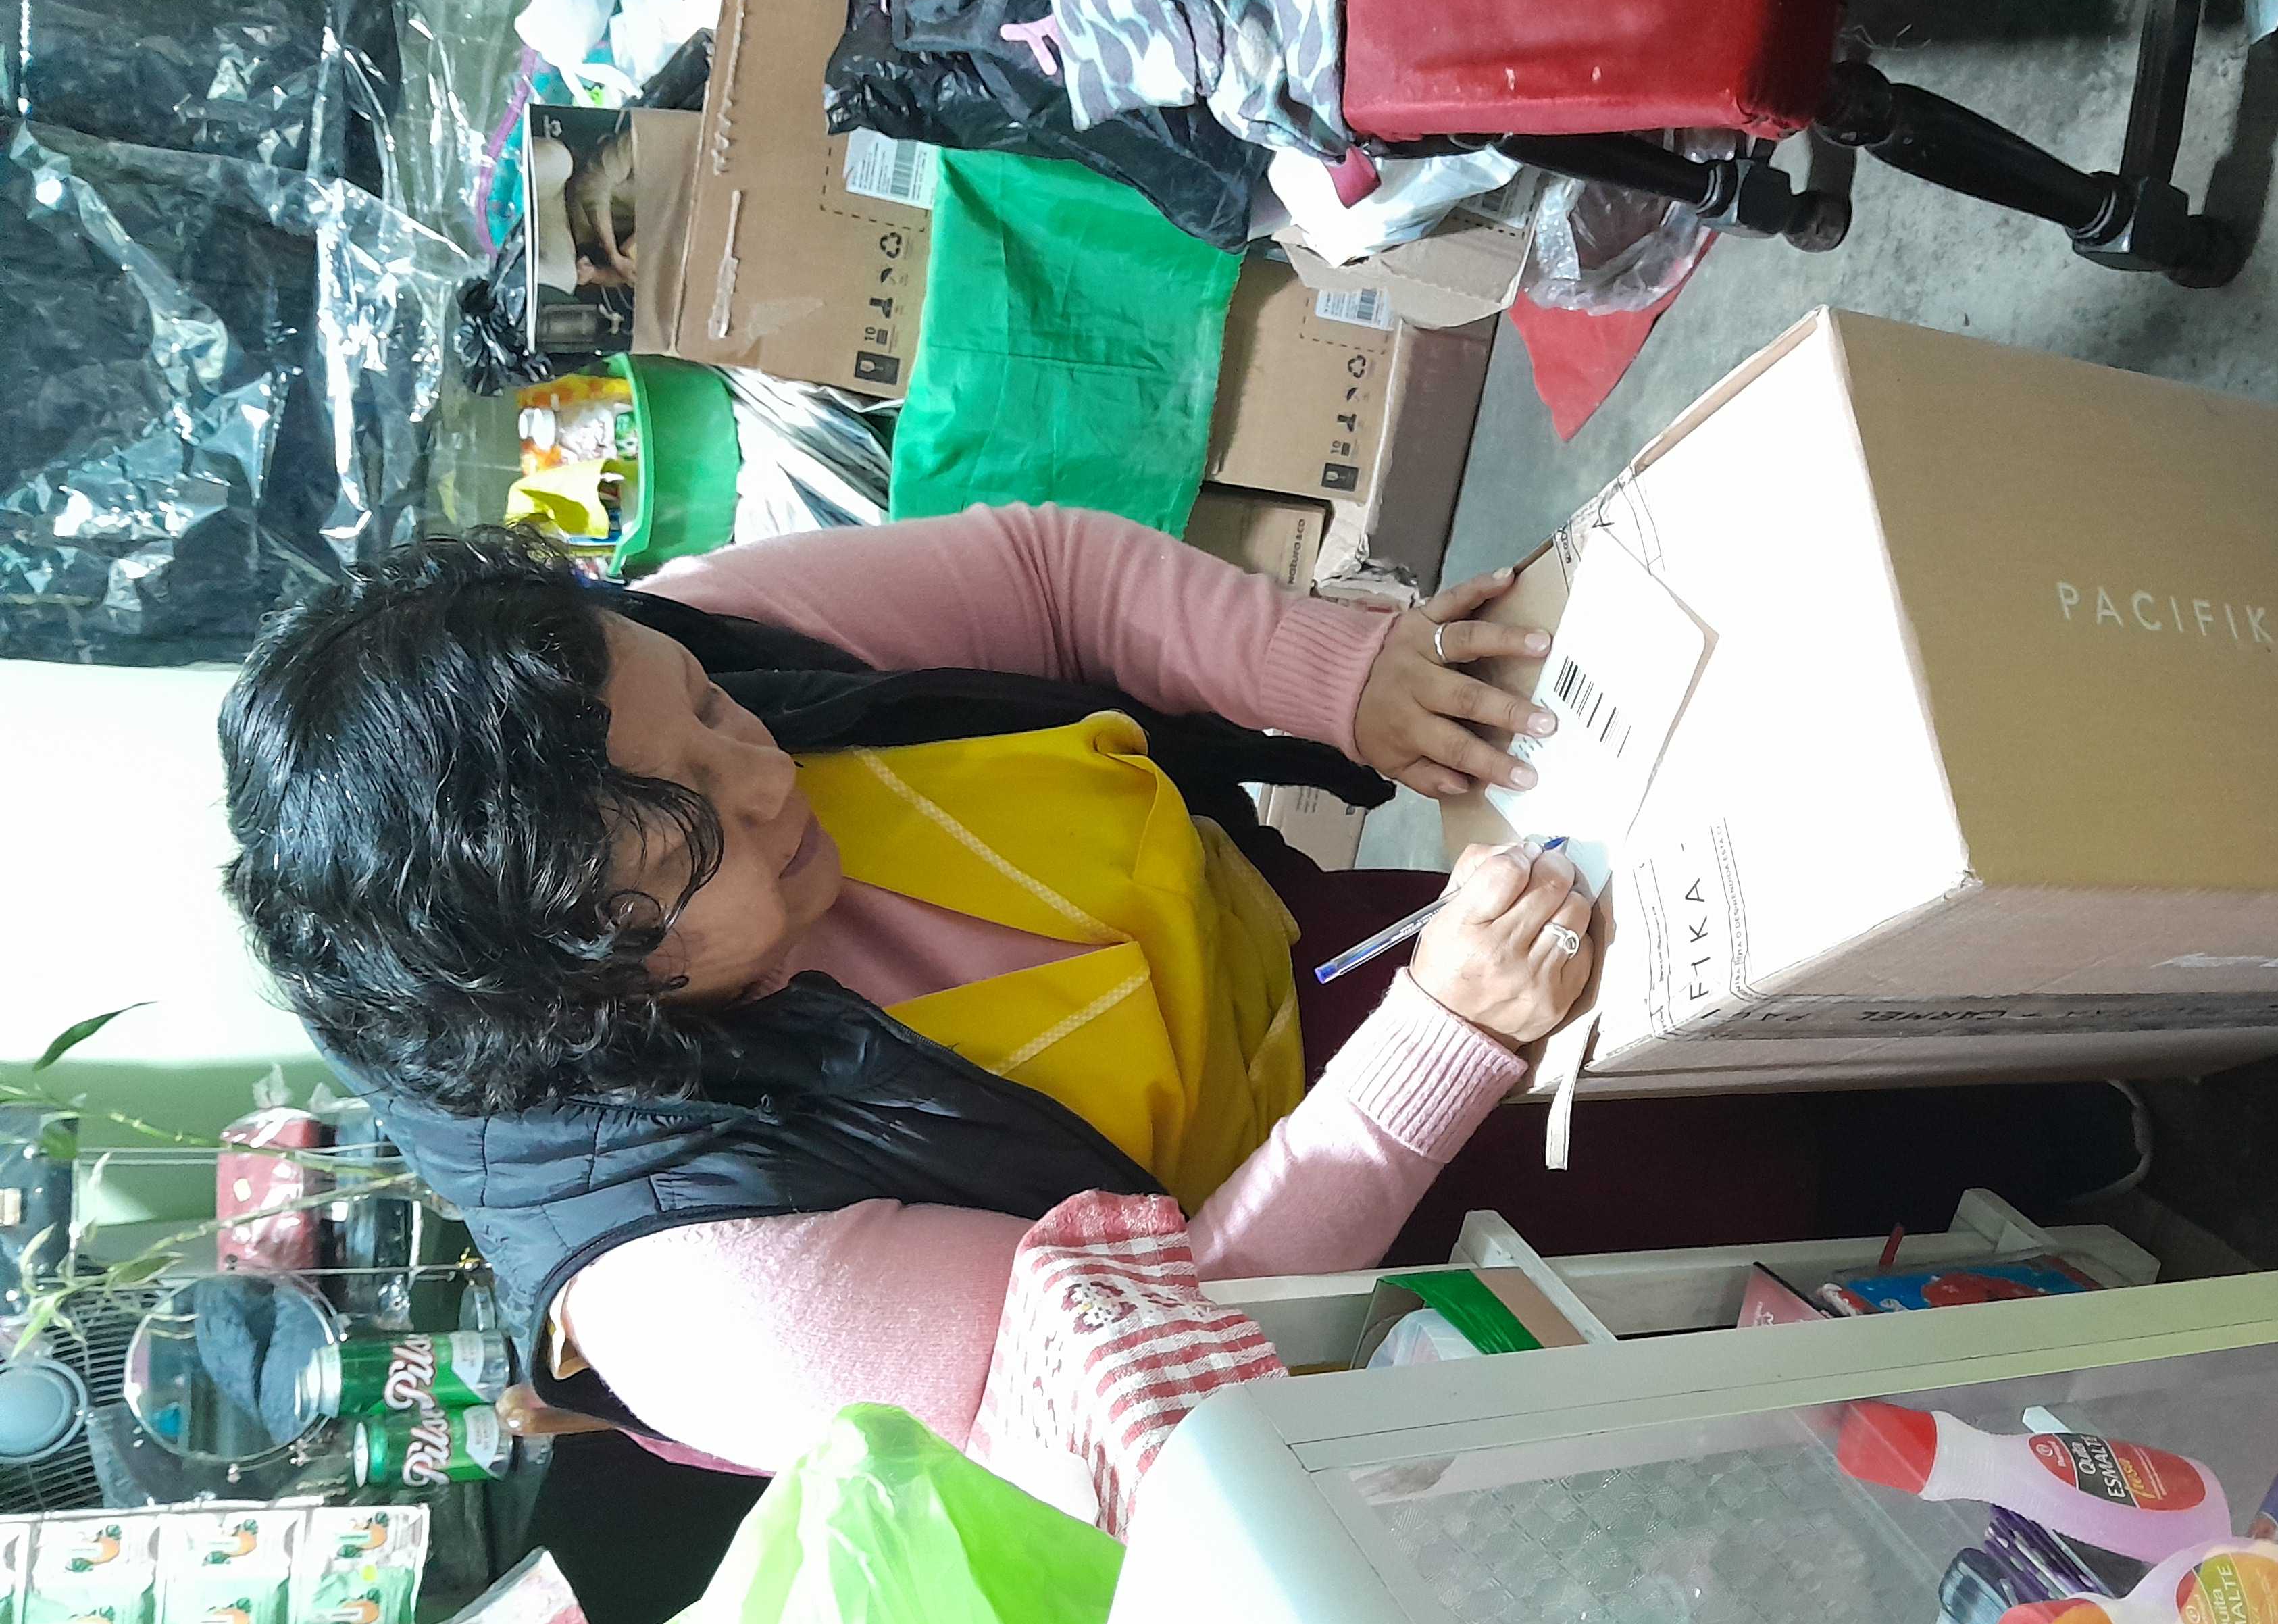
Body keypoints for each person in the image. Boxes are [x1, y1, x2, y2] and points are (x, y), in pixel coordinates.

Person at [221, 509, 2137, 1473]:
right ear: (594, 993)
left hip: (1311, 954)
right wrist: (1441, 1047)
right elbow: (1193, 1356)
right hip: (1348, 1251)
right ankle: (2099, 1231)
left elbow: (1050, 580)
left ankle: (2074, 1060)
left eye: (714, 712)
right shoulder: (712, 1286)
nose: (765, 780)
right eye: (697, 844)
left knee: (1755, 990)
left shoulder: (663, 653)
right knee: (1775, 1234)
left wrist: (1343, 676)